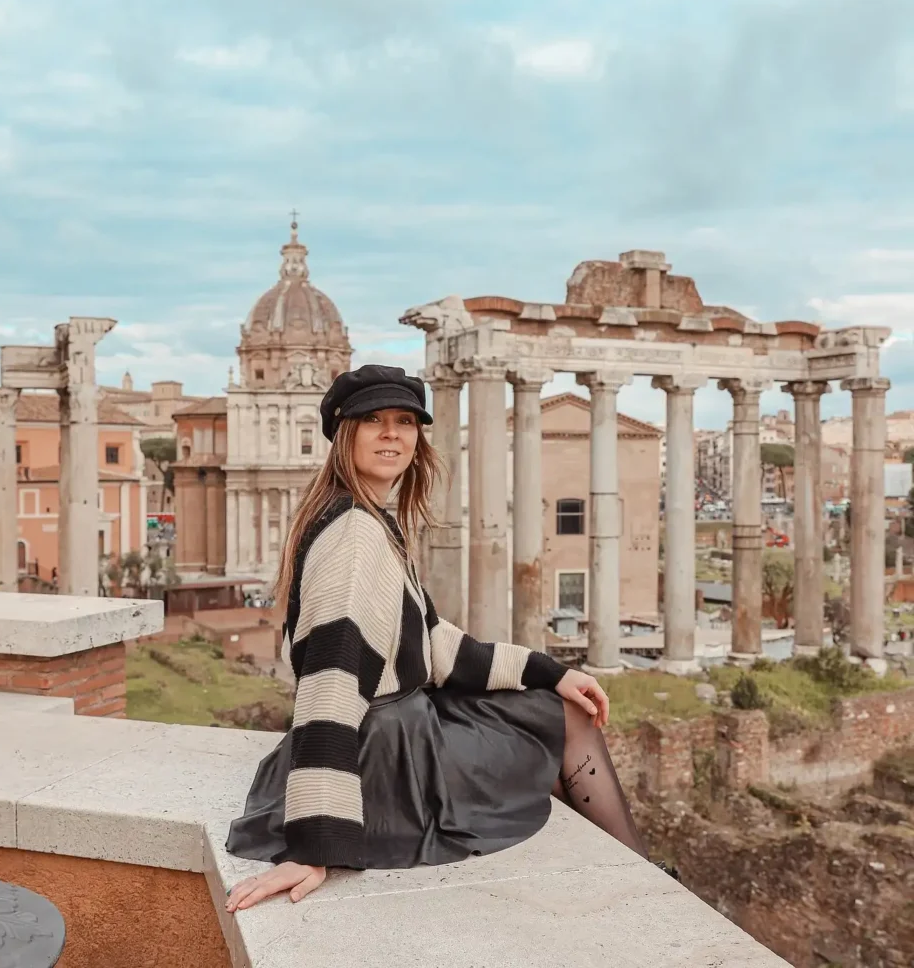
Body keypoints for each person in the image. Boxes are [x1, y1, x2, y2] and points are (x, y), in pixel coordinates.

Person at [225, 365, 654, 913]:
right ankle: (640, 879)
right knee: (565, 723)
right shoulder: (354, 534)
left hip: (395, 735)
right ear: (342, 434)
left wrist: (553, 672)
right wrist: (316, 844)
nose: (391, 433)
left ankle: (632, 874)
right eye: (372, 420)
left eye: (405, 421)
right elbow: (329, 684)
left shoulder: (368, 517)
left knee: (550, 707)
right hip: (385, 760)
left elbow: (434, 644)